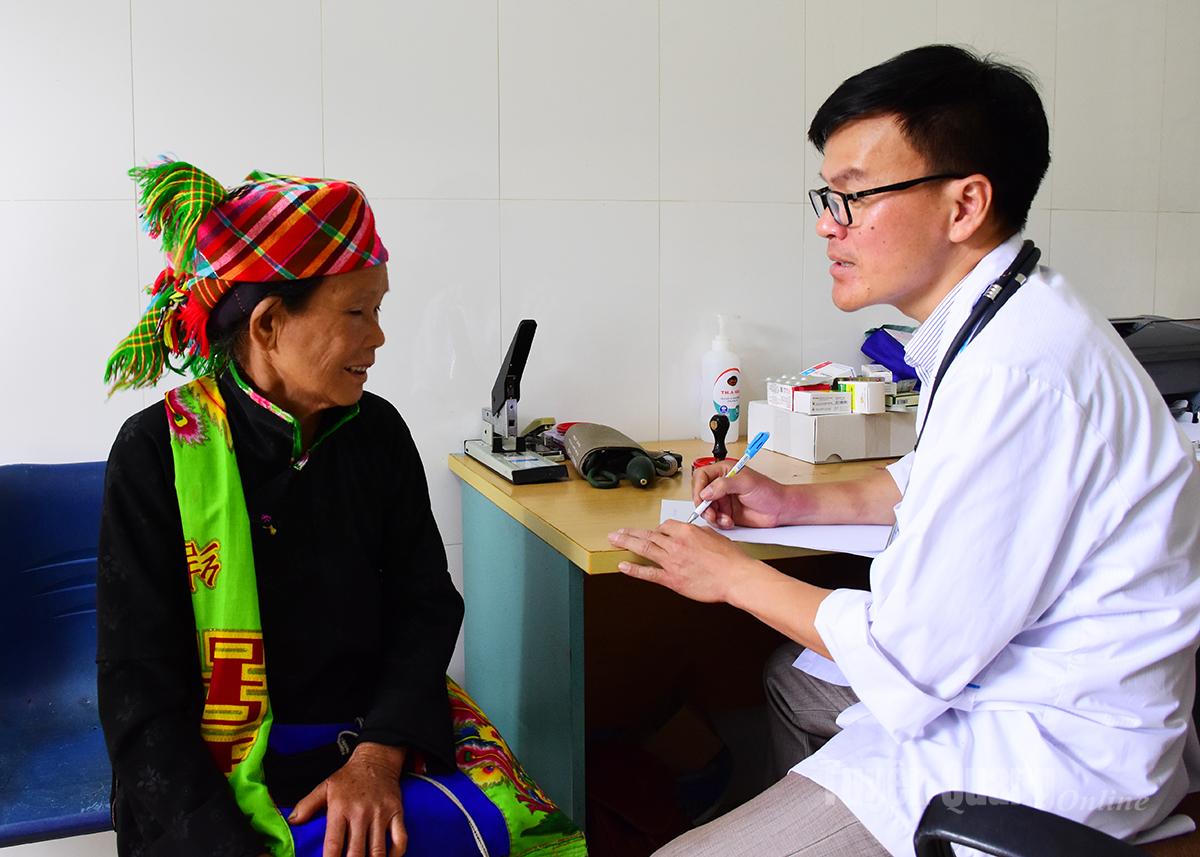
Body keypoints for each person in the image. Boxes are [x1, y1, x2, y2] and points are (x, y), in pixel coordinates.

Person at [608, 44, 1200, 856]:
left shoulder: (1018, 372)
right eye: (828, 194)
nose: (827, 222)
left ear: (964, 206)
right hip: (1011, 689)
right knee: (793, 681)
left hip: (1041, 763)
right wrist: (795, 502)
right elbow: (933, 476)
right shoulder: (1011, 315)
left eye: (853, 196)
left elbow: (904, 656)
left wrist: (730, 575)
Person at [97, 161, 585, 857]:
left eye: (378, 310)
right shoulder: (157, 454)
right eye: (356, 312)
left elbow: (425, 603)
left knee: (518, 834)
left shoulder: (376, 433)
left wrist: (379, 755)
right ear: (269, 324)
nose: (378, 338)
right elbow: (137, 687)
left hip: (372, 738)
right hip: (211, 770)